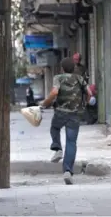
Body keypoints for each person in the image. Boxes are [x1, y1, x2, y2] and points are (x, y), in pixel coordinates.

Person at [40, 57, 94, 185]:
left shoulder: (58, 78)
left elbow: (54, 93)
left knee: (54, 128)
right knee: (71, 142)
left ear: (62, 68)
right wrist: (85, 104)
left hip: (60, 113)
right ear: (74, 68)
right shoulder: (79, 78)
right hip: (75, 115)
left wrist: (44, 104)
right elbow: (89, 93)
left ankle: (57, 148)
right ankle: (67, 171)